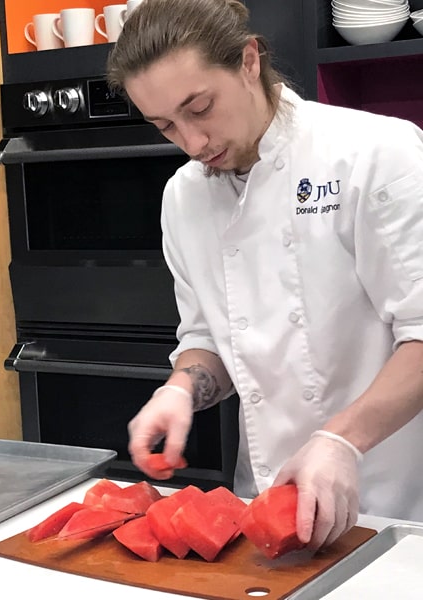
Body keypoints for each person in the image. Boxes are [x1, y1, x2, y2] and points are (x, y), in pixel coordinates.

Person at [106, 0, 423, 552]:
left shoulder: (375, 154)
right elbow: (208, 336)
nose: (193, 143)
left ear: (249, 61)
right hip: (263, 509)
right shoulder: (183, 197)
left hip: (393, 510)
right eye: (166, 126)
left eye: (200, 107)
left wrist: (340, 441)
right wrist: (181, 387)